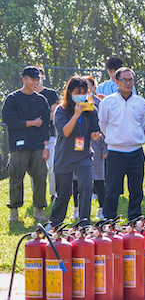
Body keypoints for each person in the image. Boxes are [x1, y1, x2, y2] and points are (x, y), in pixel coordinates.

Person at [48, 76, 101, 228]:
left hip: (83, 156)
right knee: (64, 194)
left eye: (85, 92)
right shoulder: (61, 110)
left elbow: (95, 132)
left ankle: (84, 223)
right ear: (70, 92)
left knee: (86, 187)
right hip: (64, 157)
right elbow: (65, 132)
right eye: (78, 92)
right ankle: (55, 223)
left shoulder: (91, 110)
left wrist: (96, 135)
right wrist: (76, 115)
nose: (82, 95)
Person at [98, 67, 145, 221]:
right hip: (115, 152)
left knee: (136, 189)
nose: (127, 83)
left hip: (136, 151)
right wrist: (115, 138)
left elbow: (142, 123)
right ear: (116, 82)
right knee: (112, 189)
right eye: (124, 80)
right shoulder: (108, 102)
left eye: (130, 79)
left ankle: (135, 219)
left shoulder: (140, 102)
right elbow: (103, 124)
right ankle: (109, 219)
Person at [2, 66, 51, 222]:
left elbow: (45, 125)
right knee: (15, 176)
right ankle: (14, 211)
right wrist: (32, 123)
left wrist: (46, 146)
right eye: (33, 79)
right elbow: (10, 121)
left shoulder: (41, 100)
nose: (36, 82)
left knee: (41, 176)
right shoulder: (12, 99)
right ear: (24, 80)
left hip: (38, 146)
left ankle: (39, 210)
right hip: (18, 146)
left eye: (38, 79)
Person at [33, 66, 60, 201]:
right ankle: (36, 196)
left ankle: (53, 194)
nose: (36, 80)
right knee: (34, 168)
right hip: (32, 136)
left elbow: (53, 114)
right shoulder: (25, 95)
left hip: (50, 135)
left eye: (38, 77)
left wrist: (37, 120)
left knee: (52, 167)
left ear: (43, 77)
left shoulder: (51, 93)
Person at [83, 75, 107, 220]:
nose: (86, 89)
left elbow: (104, 127)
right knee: (78, 179)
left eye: (88, 85)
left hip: (98, 146)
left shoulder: (101, 104)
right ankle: (79, 209)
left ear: (94, 87)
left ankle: (102, 208)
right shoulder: (75, 105)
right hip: (81, 146)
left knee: (99, 178)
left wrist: (105, 148)